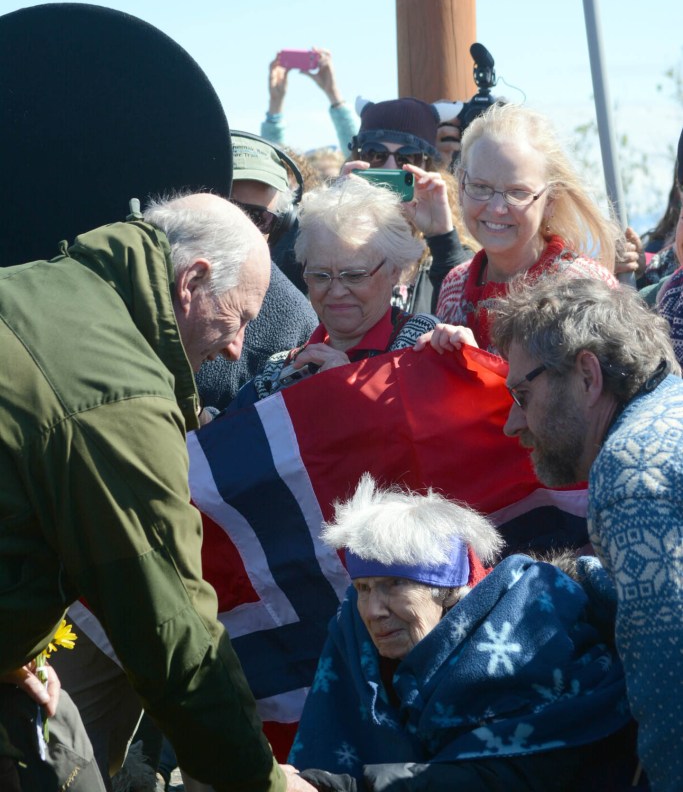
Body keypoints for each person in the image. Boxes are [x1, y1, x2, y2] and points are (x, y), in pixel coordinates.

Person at [0, 191, 314, 792]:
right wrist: (261, 782)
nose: (235, 348)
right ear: (192, 281)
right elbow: (169, 625)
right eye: (240, 318)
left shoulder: (38, 287)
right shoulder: (116, 393)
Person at [289, 476, 634, 791]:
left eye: (395, 584)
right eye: (363, 588)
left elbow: (510, 779)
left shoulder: (539, 637)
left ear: (449, 591)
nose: (373, 610)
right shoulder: (353, 646)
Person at [490, 274, 683, 792]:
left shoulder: (630, 473)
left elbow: (672, 685)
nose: (513, 423)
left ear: (588, 376)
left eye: (521, 393)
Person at [231, 174, 438, 405]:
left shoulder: (423, 344)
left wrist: (348, 385)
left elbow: (428, 432)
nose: (337, 291)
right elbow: (232, 431)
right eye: (320, 276)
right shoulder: (280, 369)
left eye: (354, 276)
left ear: (394, 271)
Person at [431, 102, 619, 355]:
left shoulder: (584, 287)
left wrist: (479, 366)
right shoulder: (454, 285)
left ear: (550, 201)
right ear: (462, 184)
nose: (497, 208)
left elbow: (597, 391)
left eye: (517, 192)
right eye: (481, 187)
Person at [197, 134, 318, 411]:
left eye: (255, 217)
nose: (236, 229)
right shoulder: (145, 279)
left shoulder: (294, 319)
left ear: (281, 225)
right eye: (227, 209)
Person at [346, 97, 472, 313]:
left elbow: (464, 314)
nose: (390, 167)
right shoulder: (335, 230)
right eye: (376, 154)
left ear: (427, 165)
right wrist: (335, 217)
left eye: (408, 157)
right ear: (358, 156)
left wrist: (442, 239)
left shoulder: (456, 250)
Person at [263, 48, 357, 153]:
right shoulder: (352, 162)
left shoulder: (353, 164)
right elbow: (355, 152)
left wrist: (275, 104)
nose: (320, 170)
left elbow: (356, 154)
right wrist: (333, 94)